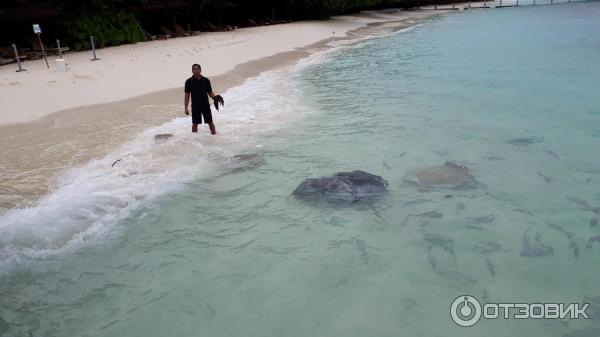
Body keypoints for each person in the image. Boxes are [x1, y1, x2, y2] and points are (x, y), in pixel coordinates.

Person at [184, 64, 220, 134]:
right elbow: (187, 95)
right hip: (195, 106)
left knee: (210, 122)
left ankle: (215, 137)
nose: (196, 70)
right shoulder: (188, 82)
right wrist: (186, 107)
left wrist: (215, 98)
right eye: (194, 69)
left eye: (197, 69)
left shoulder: (206, 80)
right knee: (195, 124)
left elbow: (210, 92)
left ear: (200, 70)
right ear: (192, 71)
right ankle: (194, 139)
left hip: (205, 105)